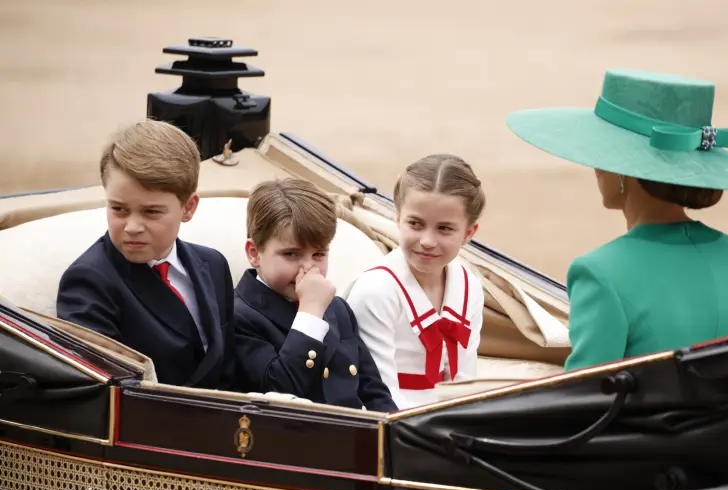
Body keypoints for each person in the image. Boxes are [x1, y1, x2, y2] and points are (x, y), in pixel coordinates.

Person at [506, 68, 728, 370]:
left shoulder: (600, 274)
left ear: (626, 171)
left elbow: (585, 399)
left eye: (605, 152)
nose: (596, 167)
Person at [56, 119, 236, 389]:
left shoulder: (213, 264)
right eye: (119, 209)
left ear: (188, 208)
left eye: (151, 212)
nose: (132, 227)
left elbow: (229, 366)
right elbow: (103, 394)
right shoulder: (88, 282)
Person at [233, 178, 397, 412]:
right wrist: (310, 313)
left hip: (353, 438)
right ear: (254, 253)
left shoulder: (338, 309)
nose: (308, 268)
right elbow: (280, 391)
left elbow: (373, 392)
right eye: (291, 254)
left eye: (319, 254)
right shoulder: (238, 315)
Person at [345, 154, 485, 410]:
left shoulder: (470, 286)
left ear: (468, 233)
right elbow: (378, 395)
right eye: (416, 224)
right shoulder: (376, 291)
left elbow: (466, 382)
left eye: (444, 228)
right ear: (397, 218)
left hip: (448, 419)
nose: (428, 240)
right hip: (391, 422)